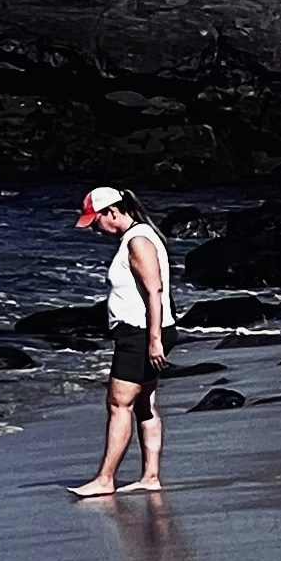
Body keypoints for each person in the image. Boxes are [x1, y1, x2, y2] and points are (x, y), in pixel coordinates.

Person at [68, 185, 174, 498]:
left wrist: (153, 339)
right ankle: (150, 476)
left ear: (112, 212)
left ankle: (105, 479)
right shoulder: (141, 234)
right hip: (146, 331)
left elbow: (154, 290)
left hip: (140, 333)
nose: (95, 229)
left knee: (118, 404)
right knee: (143, 403)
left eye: (96, 221)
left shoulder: (138, 240)